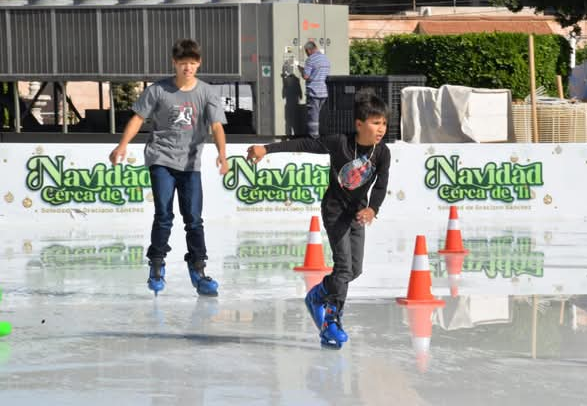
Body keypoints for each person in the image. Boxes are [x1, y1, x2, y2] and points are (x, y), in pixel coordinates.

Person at [246, 91, 390, 349]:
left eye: (384, 124)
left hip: (358, 214)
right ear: (359, 124)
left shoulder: (382, 152)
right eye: (375, 123)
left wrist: (373, 210)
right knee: (344, 269)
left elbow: (381, 185)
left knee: (354, 271)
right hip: (335, 212)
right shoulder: (340, 143)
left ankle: (318, 295)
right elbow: (304, 145)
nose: (381, 129)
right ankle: (331, 322)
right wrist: (266, 149)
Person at [109, 39, 228, 296]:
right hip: (161, 158)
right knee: (164, 214)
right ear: (174, 63)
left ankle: (198, 267)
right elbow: (138, 118)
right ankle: (156, 264)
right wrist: (122, 146)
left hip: (190, 162)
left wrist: (223, 154)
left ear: (199, 64)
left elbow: (217, 126)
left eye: (193, 64)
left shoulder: (207, 92)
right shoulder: (158, 90)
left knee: (194, 218)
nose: (188, 68)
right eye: (183, 63)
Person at [298, 41, 330, 138]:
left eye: (306, 52)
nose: (306, 54)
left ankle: (314, 138)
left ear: (308, 50)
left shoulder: (310, 60)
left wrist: (300, 69)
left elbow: (306, 76)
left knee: (313, 116)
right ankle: (322, 136)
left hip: (313, 92)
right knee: (320, 115)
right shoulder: (325, 58)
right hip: (324, 92)